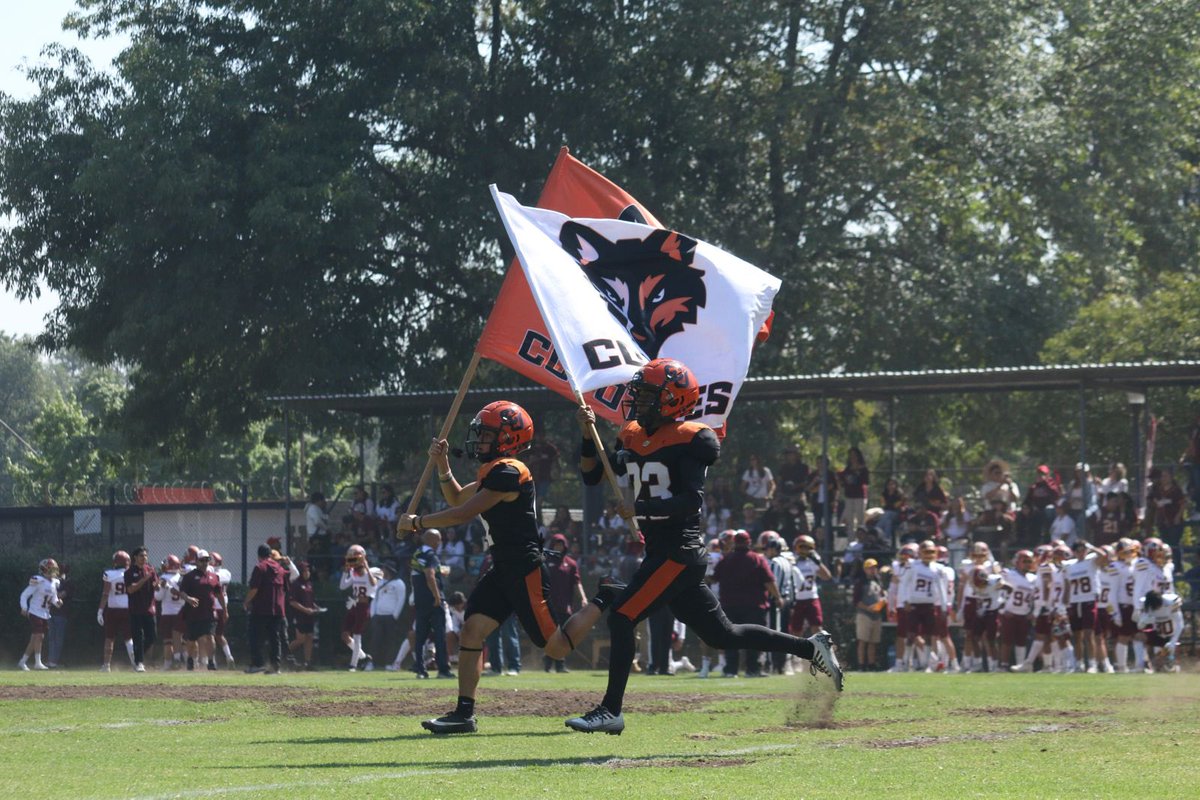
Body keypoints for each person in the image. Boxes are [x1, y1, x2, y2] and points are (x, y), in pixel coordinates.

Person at [565, 359, 842, 735]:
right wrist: (586, 434)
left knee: (622, 615)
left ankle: (610, 711)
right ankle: (811, 648)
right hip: (660, 552)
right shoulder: (631, 434)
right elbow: (591, 473)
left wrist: (639, 507)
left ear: (674, 400)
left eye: (648, 396)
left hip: (679, 551)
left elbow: (690, 501)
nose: (639, 402)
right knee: (721, 635)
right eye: (640, 394)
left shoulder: (691, 438)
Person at [403, 400, 621, 734]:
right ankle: (464, 713)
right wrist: (443, 465)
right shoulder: (495, 471)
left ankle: (605, 596)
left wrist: (417, 522)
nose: (480, 440)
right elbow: (456, 498)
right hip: (502, 566)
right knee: (472, 629)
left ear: (509, 438)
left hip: (523, 568)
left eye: (487, 434)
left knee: (557, 648)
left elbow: (462, 513)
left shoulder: (510, 471)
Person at [710, 530, 780, 677]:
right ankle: (753, 669)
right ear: (749, 542)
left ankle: (730, 670)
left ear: (735, 543)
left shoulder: (726, 559)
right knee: (754, 638)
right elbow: (769, 581)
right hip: (754, 606)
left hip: (730, 605)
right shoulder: (757, 559)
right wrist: (778, 597)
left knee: (731, 639)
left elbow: (714, 578)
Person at [243, 544, 289, 674]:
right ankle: (275, 667)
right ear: (270, 554)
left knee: (255, 636)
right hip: (278, 610)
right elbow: (285, 588)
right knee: (275, 638)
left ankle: (258, 664)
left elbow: (254, 589)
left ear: (259, 555)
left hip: (261, 609)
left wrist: (247, 601)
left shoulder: (260, 567)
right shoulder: (280, 569)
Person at [544, 533, 585, 673]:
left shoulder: (571, 563)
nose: (558, 547)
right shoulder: (545, 562)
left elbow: (577, 582)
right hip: (548, 605)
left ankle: (560, 665)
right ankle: (547, 664)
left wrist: (583, 598)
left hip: (565, 606)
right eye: (556, 544)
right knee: (550, 635)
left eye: (561, 544)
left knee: (563, 635)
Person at [178, 550, 223, 671]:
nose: (204, 562)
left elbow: (219, 594)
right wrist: (188, 598)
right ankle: (190, 659)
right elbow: (182, 592)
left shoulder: (214, 576)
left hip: (209, 612)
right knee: (192, 639)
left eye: (207, 560)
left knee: (210, 636)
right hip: (193, 613)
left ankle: (211, 662)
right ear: (196, 561)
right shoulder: (189, 576)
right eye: (202, 560)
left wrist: (225, 609)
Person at [339, 543, 379, 671]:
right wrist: (345, 572)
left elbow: (374, 584)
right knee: (345, 635)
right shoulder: (353, 573)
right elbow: (342, 586)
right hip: (354, 605)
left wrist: (367, 567)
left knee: (357, 636)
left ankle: (353, 664)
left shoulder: (371, 573)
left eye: (356, 559)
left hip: (363, 606)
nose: (354, 563)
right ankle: (364, 657)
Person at [18, 558, 62, 670]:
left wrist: (58, 603)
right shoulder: (38, 581)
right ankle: (38, 662)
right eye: (51, 569)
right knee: (39, 636)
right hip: (35, 612)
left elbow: (53, 599)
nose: (53, 572)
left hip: (45, 614)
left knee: (35, 639)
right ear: (44, 569)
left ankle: (22, 661)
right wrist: (24, 607)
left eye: (54, 569)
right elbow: (24, 595)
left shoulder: (54, 583)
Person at [98, 551, 135, 672]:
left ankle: (106, 665)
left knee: (109, 638)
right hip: (128, 609)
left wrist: (100, 610)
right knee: (129, 638)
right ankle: (136, 664)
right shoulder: (132, 573)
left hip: (113, 610)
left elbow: (105, 594)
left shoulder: (110, 574)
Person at [123, 547, 159, 673]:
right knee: (137, 637)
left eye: (145, 556)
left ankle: (137, 655)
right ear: (135, 557)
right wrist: (144, 580)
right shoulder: (129, 572)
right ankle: (139, 663)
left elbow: (155, 585)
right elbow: (130, 589)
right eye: (141, 556)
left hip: (149, 609)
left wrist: (159, 584)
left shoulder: (151, 570)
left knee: (152, 636)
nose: (144, 558)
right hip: (135, 610)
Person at [367, 561, 407, 670]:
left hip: (390, 617)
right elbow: (374, 599)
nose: (382, 571)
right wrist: (373, 614)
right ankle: (371, 663)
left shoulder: (399, 583)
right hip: (378, 616)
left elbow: (401, 600)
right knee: (375, 640)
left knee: (390, 641)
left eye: (384, 569)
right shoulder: (379, 582)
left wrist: (395, 615)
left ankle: (389, 663)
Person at [286, 561, 320, 669]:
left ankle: (307, 662)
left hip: (309, 616)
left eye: (308, 571)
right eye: (305, 571)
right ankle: (283, 652)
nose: (307, 573)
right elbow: (292, 602)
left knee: (309, 637)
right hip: (299, 616)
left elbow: (311, 600)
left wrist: (315, 607)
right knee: (300, 639)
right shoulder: (296, 584)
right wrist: (305, 610)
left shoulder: (309, 584)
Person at [853, 558, 884, 670]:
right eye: (870, 568)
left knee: (873, 641)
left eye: (874, 567)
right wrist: (868, 608)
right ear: (865, 569)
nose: (873, 570)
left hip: (876, 615)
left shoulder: (878, 581)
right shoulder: (860, 582)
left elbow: (881, 596)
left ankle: (871, 664)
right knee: (863, 640)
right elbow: (856, 601)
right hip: (864, 615)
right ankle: (861, 665)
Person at [156, 556, 186, 670]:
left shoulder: (164, 578)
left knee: (168, 641)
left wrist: (156, 589)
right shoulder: (182, 578)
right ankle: (188, 662)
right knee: (182, 640)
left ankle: (167, 665)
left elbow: (158, 597)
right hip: (181, 611)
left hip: (167, 613)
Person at [210, 551, 234, 669]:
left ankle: (211, 661)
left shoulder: (212, 574)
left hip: (214, 606)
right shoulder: (226, 573)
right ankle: (229, 656)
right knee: (219, 635)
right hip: (224, 606)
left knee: (209, 636)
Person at [838, 447, 870, 534]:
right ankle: (850, 541)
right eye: (851, 456)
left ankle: (862, 541)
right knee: (850, 520)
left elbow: (866, 482)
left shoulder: (863, 469)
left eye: (854, 456)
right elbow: (843, 481)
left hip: (860, 496)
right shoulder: (847, 469)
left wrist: (857, 473)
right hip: (849, 496)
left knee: (860, 520)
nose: (853, 458)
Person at [45, 563, 70, 668]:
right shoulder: (52, 582)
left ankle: (53, 661)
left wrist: (52, 595)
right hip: (51, 613)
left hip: (61, 614)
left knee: (58, 639)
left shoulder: (68, 582)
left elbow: (61, 595)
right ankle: (51, 661)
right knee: (51, 639)